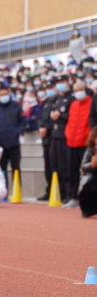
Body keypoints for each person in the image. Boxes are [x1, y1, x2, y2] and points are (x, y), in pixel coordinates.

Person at [0, 87, 25, 194]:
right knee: (1, 169)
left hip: (14, 142)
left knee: (16, 168)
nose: (3, 96)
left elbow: (22, 121)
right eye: (1, 94)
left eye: (5, 94)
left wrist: (18, 133)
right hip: (0, 144)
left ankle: (17, 192)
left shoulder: (16, 107)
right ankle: (2, 192)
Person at [63, 81, 92, 209]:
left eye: (80, 89)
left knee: (86, 172)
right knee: (72, 172)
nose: (78, 92)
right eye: (75, 90)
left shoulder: (92, 103)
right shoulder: (73, 104)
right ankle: (73, 197)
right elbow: (70, 121)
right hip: (71, 143)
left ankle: (87, 199)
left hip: (85, 143)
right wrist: (68, 134)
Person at [51, 76, 74, 205]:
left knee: (66, 166)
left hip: (66, 135)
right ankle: (62, 193)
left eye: (62, 82)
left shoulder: (72, 98)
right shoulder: (58, 99)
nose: (60, 85)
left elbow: (71, 116)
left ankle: (70, 194)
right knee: (57, 165)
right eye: (58, 83)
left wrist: (61, 115)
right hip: (56, 135)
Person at [37, 80, 57, 201]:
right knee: (48, 166)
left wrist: (47, 128)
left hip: (54, 137)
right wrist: (40, 127)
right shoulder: (45, 102)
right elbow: (41, 118)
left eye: (51, 87)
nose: (49, 90)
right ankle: (49, 190)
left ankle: (59, 191)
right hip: (45, 139)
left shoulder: (58, 101)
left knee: (56, 165)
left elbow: (55, 120)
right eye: (47, 88)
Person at [78, 126, 97, 218]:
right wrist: (92, 165)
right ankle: (88, 209)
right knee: (89, 183)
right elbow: (83, 167)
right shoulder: (90, 150)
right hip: (92, 178)